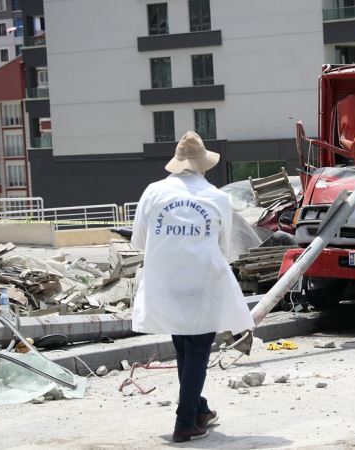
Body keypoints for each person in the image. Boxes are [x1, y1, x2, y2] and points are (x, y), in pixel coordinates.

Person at [131, 131, 255, 442]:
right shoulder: (216, 197)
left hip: (166, 281)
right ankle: (184, 423)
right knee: (198, 349)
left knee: (185, 348)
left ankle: (199, 409)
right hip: (202, 282)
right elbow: (224, 247)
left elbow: (140, 241)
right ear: (204, 165)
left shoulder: (153, 191)